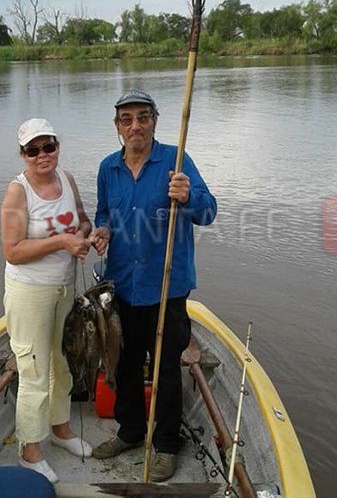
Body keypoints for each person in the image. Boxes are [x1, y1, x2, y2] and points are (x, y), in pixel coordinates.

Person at [88, 89, 217, 481]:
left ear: (155, 121)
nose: (135, 126)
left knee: (165, 369)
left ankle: (165, 444)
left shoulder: (176, 162)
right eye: (126, 119)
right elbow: (103, 212)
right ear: (117, 127)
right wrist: (103, 230)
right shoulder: (108, 168)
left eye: (142, 117)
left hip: (167, 288)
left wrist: (189, 195)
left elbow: (208, 211)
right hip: (121, 286)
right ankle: (130, 431)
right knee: (125, 364)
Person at [0, 118, 94, 483]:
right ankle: (30, 451)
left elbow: (83, 221)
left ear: (57, 146)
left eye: (48, 147)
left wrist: (87, 237)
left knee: (62, 362)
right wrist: (61, 242)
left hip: (64, 288)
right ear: (23, 155)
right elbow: (13, 251)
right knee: (34, 370)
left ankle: (61, 429)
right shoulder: (17, 192)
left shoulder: (66, 179)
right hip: (30, 292)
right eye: (33, 150)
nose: (42, 155)